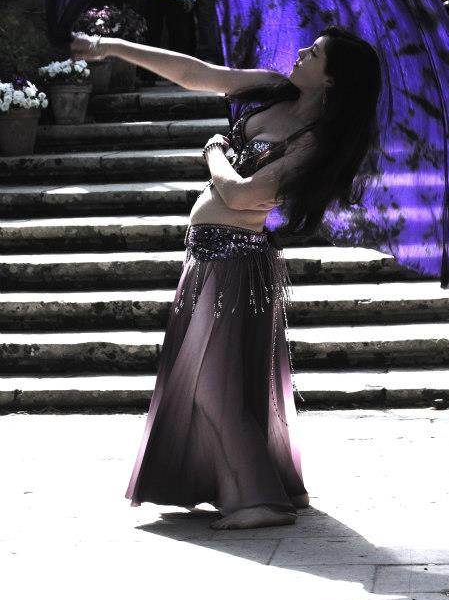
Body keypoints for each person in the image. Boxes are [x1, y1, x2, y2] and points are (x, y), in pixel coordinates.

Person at [70, 26, 381, 528]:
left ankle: (260, 501)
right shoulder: (274, 88)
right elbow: (196, 73)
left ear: (332, 80)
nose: (302, 51)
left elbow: (239, 195)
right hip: (209, 258)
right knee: (214, 384)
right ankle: (261, 487)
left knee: (210, 388)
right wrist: (112, 47)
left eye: (316, 53)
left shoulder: (315, 142)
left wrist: (214, 149)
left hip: (236, 264)